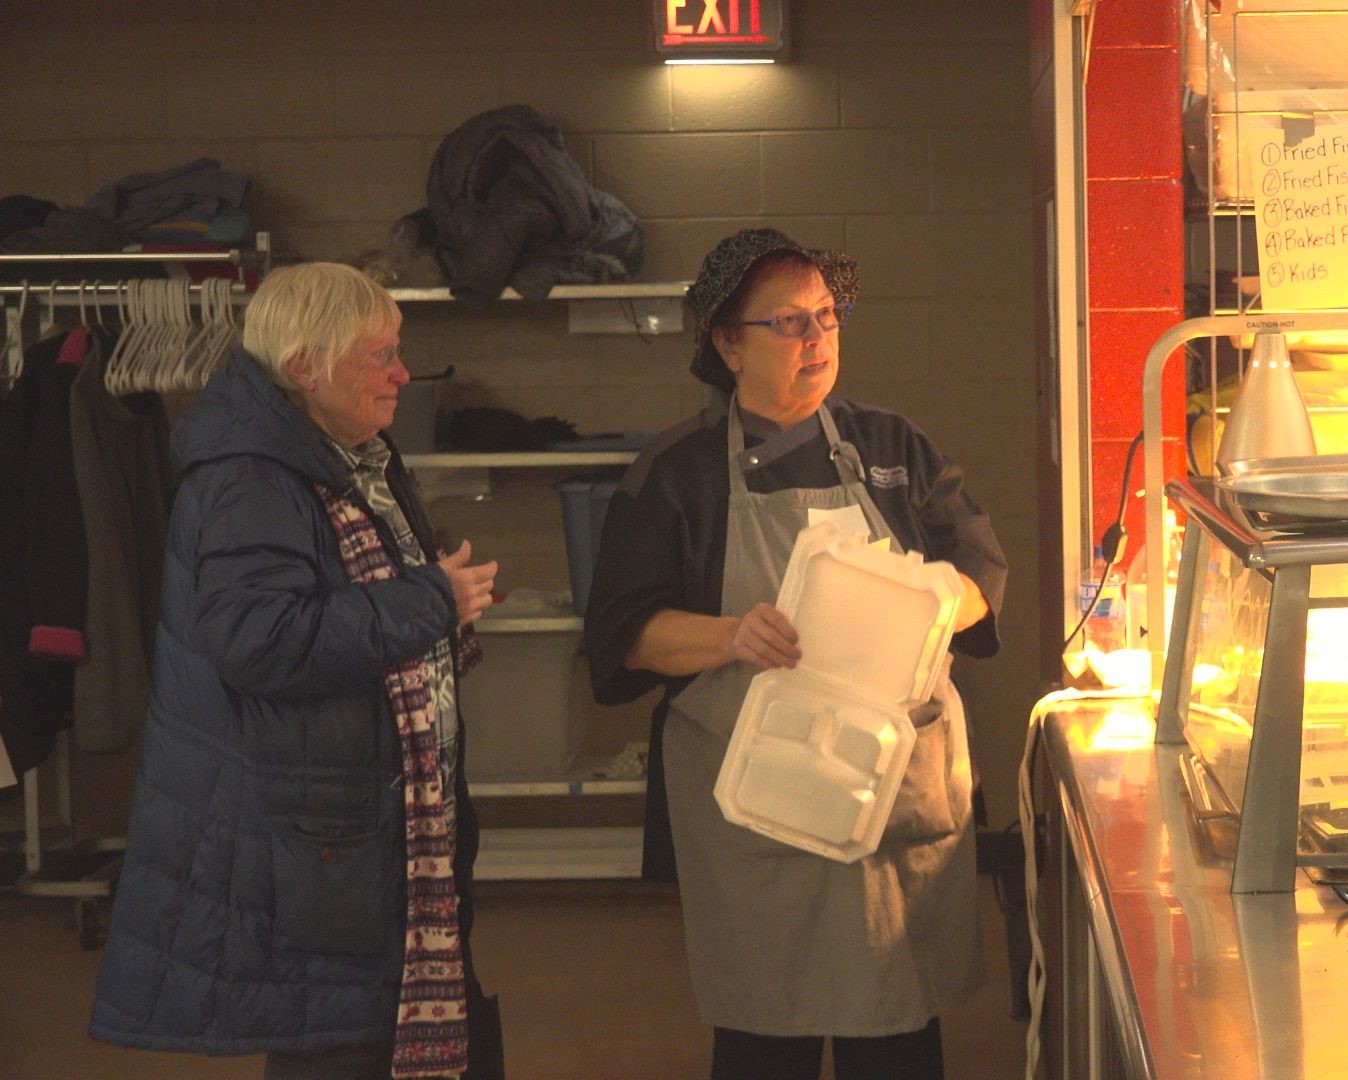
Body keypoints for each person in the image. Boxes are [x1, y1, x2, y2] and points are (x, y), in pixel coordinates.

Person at [584, 228, 1007, 1080]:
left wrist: (924, 603)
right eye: (788, 324)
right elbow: (624, 634)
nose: (817, 340)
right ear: (726, 344)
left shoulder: (892, 447)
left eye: (827, 316)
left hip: (890, 799)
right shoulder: (676, 474)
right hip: (757, 814)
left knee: (895, 1032)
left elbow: (980, 578)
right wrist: (732, 634)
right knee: (762, 1037)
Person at [89, 263, 505, 1079]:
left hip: (346, 833)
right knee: (339, 1047)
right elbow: (259, 640)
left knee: (361, 1035)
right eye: (378, 355)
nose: (401, 374)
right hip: (321, 845)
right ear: (304, 368)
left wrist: (435, 607)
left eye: (398, 351)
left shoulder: (342, 455)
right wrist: (430, 602)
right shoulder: (253, 476)